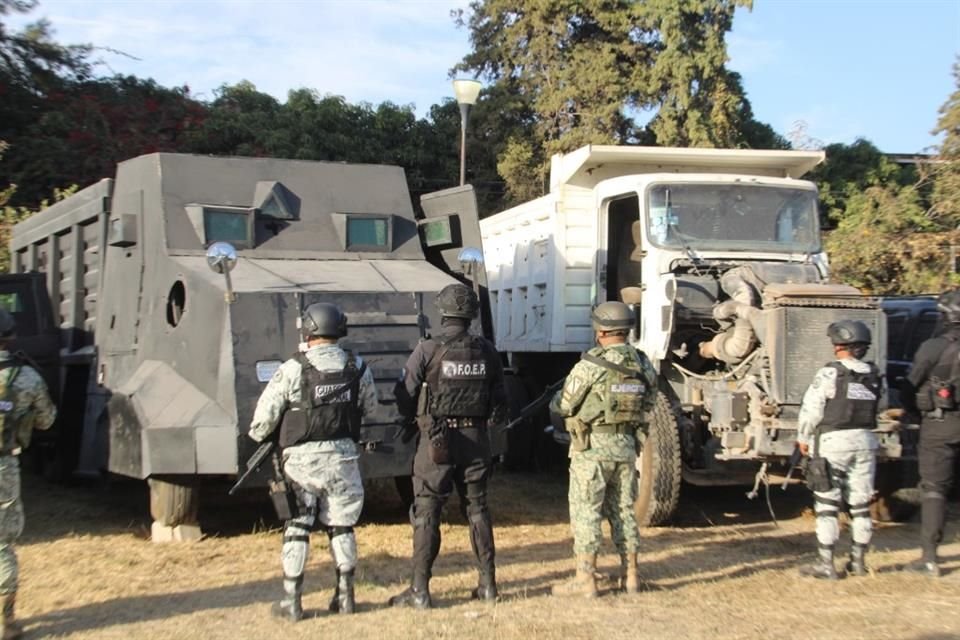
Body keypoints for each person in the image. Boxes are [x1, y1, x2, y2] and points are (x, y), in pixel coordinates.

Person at [248, 302, 378, 620]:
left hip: (301, 463)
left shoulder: (292, 368)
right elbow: (371, 408)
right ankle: (346, 597)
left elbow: (262, 422)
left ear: (309, 330)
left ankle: (292, 602)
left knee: (297, 528)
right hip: (344, 458)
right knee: (342, 526)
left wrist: (263, 434)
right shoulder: (358, 366)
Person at [388, 283, 506, 610]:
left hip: (436, 444)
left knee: (427, 513)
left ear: (442, 312)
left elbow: (404, 394)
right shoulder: (488, 351)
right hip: (476, 441)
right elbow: (500, 400)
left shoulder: (427, 350)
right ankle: (488, 586)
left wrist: (414, 419)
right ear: (471, 315)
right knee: (478, 509)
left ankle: (420, 591)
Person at [550, 301, 658, 597]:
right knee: (624, 511)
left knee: (587, 511)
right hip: (626, 447)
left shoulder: (590, 365)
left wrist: (557, 400)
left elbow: (565, 404)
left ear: (600, 331)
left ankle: (585, 579)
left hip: (591, 450)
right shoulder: (643, 363)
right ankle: (632, 575)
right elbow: (649, 403)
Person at [796, 320, 882, 580]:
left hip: (833, 442)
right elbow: (881, 405)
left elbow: (812, 408)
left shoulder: (830, 373)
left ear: (840, 346)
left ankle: (826, 564)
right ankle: (858, 562)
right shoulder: (875, 375)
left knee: (827, 504)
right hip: (866, 442)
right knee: (860, 504)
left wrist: (803, 436)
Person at [0, 308, 57, 639]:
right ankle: (5, 621)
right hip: (4, 466)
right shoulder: (27, 377)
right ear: (10, 337)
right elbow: (46, 420)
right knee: (2, 543)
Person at [899, 289, 960, 578]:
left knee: (934, 489)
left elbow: (911, 386)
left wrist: (910, 408)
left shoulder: (934, 346)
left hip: (941, 424)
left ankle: (929, 557)